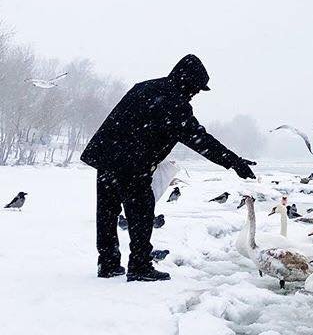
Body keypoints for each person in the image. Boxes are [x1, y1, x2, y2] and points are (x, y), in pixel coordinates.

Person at [81, 54, 257, 282]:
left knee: (107, 212)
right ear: (188, 81)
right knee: (141, 214)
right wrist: (234, 162)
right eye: (196, 88)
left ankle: (108, 264)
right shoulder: (174, 103)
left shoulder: (145, 87)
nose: (195, 94)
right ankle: (140, 267)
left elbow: (120, 121)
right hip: (132, 164)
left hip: (107, 157)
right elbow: (198, 139)